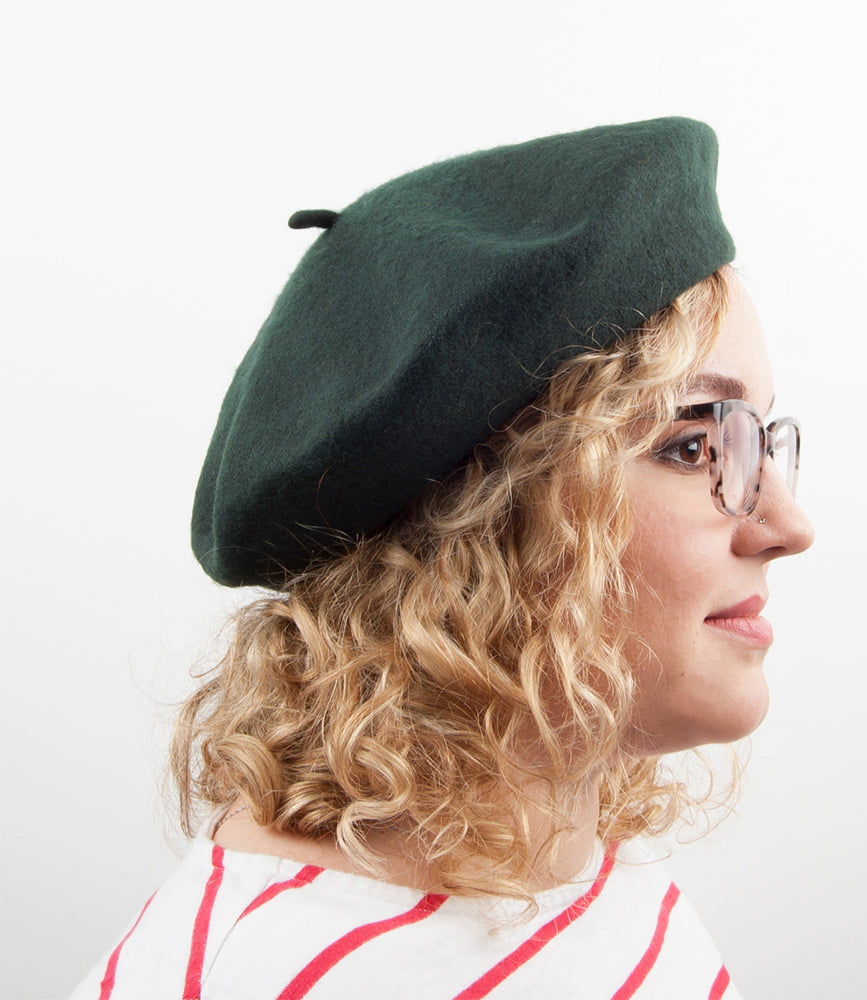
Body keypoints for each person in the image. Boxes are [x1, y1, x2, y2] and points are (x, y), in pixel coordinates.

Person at [70, 117, 813, 1000]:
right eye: (694, 448)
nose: (789, 524)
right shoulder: (303, 973)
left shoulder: (584, 869)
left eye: (762, 440)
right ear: (484, 527)